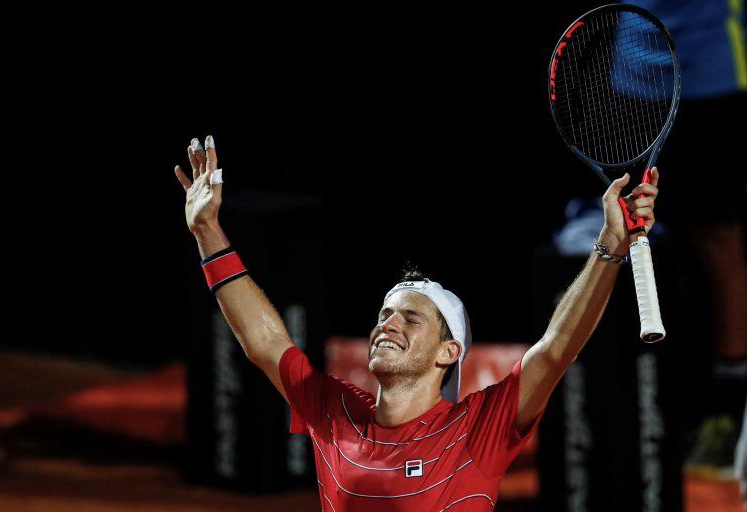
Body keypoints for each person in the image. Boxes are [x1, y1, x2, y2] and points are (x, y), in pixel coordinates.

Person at [173, 135, 660, 511]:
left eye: (410, 319)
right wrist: (207, 231)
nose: (388, 325)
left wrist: (609, 248)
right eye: (384, 315)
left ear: (449, 352)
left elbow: (556, 349)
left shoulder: (477, 429)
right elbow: (264, 342)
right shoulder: (335, 412)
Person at [624, 0, 747, 480]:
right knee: (635, 237)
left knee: (718, 242)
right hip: (629, 71)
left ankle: (730, 412)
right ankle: (643, 411)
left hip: (709, 67)